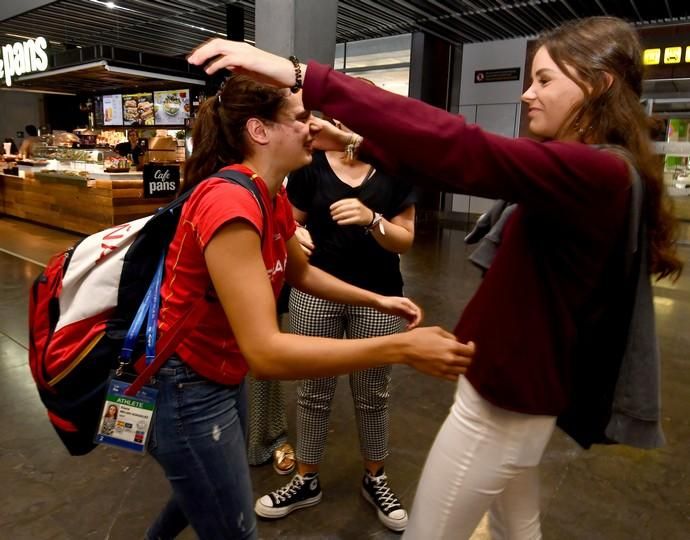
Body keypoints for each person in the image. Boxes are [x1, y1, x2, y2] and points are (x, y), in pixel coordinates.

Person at [188, 16, 682, 539]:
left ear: (599, 83)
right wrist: (356, 140)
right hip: (512, 390)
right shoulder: (590, 167)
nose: (525, 94)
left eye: (544, 80)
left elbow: (462, 150)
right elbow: (446, 165)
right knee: (519, 525)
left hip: (505, 400)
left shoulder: (596, 172)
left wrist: (302, 74)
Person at [144, 73, 473, 540]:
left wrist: (377, 299)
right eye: (301, 117)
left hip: (220, 374)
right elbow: (267, 353)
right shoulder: (231, 202)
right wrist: (401, 349)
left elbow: (300, 273)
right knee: (231, 523)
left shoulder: (269, 192)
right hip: (187, 387)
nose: (314, 127)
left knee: (199, 492)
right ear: (260, 131)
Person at [255, 110, 416, 531]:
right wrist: (297, 236)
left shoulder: (394, 169)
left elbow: (406, 238)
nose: (339, 129)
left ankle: (375, 478)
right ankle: (306, 479)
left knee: (372, 392)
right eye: (336, 120)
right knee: (313, 389)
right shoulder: (311, 167)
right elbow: (290, 222)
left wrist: (373, 220)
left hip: (378, 296)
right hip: (315, 292)